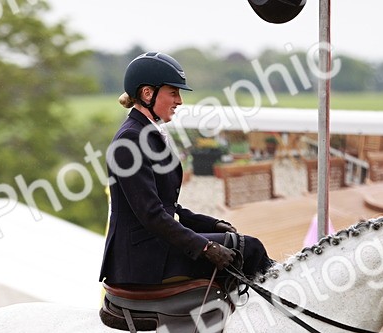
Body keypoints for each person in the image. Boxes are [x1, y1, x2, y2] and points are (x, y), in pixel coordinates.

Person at [99, 52, 274, 287]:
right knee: (249, 248)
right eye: (173, 92)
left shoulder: (146, 132)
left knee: (240, 243)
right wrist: (205, 246)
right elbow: (151, 215)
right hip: (142, 258)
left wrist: (211, 225)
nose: (179, 101)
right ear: (147, 93)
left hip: (155, 246)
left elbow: (169, 207)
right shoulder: (130, 140)